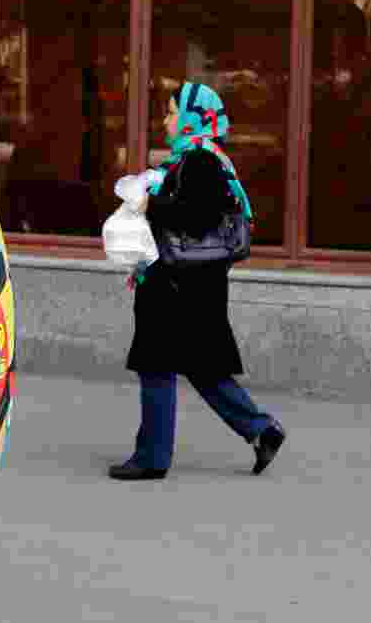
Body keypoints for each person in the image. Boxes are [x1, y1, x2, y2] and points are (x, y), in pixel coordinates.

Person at [109, 81, 285, 481]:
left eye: (172, 111)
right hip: (191, 285)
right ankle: (261, 431)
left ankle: (152, 457)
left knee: (156, 363)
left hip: (179, 287)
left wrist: (150, 202)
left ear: (193, 118)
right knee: (201, 367)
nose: (165, 119)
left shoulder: (201, 160)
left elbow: (196, 218)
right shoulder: (193, 158)